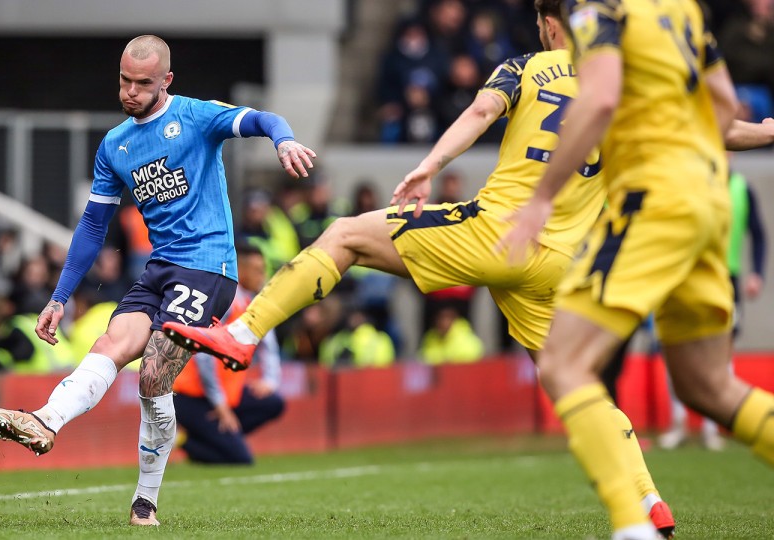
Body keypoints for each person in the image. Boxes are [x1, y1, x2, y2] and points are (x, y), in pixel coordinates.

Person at [163, 2, 676, 535]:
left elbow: (479, 113)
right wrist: (763, 129)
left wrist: (429, 166)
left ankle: (245, 332)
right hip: (561, 265)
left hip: (499, 233)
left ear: (550, 25)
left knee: (344, 235)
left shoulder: (527, 67)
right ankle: (647, 500)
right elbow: (711, 129)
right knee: (576, 385)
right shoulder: (622, 90)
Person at [0, 35, 315, 527]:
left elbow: (261, 118)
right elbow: (93, 226)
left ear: (166, 81)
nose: (131, 92)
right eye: (124, 81)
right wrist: (59, 296)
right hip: (159, 269)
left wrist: (282, 139)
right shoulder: (115, 145)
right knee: (112, 343)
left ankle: (145, 502)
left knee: (154, 371)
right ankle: (44, 422)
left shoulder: (197, 117)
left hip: (207, 268)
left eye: (143, 83)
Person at [498, 1, 774, 538]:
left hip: (652, 199)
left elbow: (599, 97)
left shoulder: (595, 8)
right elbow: (719, 106)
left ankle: (632, 526)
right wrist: (766, 132)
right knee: (707, 386)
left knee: (562, 363)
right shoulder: (682, 11)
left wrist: (541, 198)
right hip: (707, 199)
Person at [659, 167, 768, 451]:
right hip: (682, 274)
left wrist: (757, 272)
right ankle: (679, 424)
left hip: (725, 278)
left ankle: (711, 429)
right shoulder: (685, 180)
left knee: (722, 353)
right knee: (674, 350)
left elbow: (758, 234)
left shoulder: (742, 188)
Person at [172, 244, 285, 464]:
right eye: (257, 269)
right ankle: (184, 441)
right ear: (240, 270)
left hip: (225, 394)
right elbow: (203, 354)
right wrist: (220, 406)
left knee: (273, 402)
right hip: (192, 396)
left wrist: (270, 381)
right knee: (241, 458)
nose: (262, 275)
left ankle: (215, 437)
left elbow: (269, 344)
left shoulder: (252, 302)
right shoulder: (226, 301)